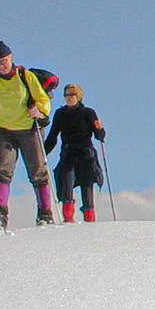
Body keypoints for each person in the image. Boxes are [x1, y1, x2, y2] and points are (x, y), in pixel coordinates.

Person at [0, 41, 55, 226]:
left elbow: (43, 99)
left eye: (3, 61)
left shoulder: (26, 77)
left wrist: (40, 111)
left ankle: (45, 214)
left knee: (38, 173)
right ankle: (0, 217)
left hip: (29, 130)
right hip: (4, 131)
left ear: (11, 57)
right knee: (2, 172)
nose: (1, 66)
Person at [44, 84, 106, 223]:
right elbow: (53, 135)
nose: (68, 98)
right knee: (66, 183)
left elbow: (98, 136)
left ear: (78, 96)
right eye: (66, 95)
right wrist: (44, 151)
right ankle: (68, 218)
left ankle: (90, 219)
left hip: (86, 153)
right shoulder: (61, 114)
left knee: (87, 185)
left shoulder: (88, 113)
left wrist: (100, 129)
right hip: (69, 153)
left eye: (71, 94)